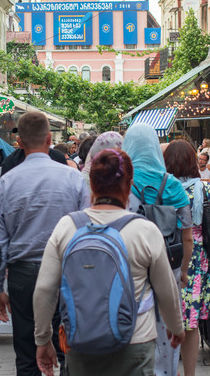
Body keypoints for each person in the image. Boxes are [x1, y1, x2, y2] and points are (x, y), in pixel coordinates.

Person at [33, 149, 185, 376]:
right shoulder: (144, 230)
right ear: (129, 185)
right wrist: (176, 327)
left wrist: (43, 339)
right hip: (136, 342)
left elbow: (45, 289)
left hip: (81, 341)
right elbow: (167, 291)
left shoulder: (67, 227)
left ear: (91, 184)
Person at [0, 112, 90, 375]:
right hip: (67, 273)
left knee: (27, 353)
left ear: (19, 142)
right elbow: (87, 233)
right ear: (48, 139)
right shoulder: (74, 179)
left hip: (24, 275)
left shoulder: (6, 182)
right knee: (68, 349)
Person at [123, 123, 192, 376]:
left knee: (133, 324)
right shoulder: (173, 184)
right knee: (168, 328)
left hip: (131, 265)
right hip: (169, 261)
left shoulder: (122, 181)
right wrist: (183, 270)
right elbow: (187, 235)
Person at [163, 140, 210, 376]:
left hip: (166, 254)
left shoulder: (160, 189)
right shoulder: (205, 189)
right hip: (196, 260)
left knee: (164, 316)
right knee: (191, 322)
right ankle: (190, 373)